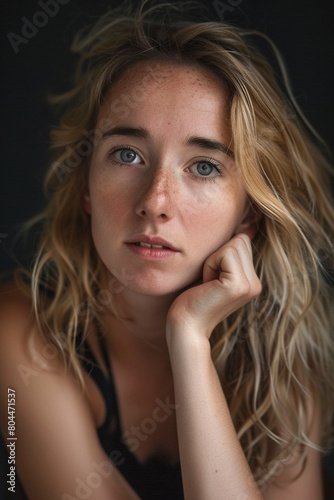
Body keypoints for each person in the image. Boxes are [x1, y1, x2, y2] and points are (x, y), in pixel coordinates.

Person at [0, 1, 333, 498]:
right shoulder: (17, 334)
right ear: (87, 187)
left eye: (203, 166)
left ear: (249, 212)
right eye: (128, 154)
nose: (155, 202)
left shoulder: (282, 370)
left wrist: (189, 338)